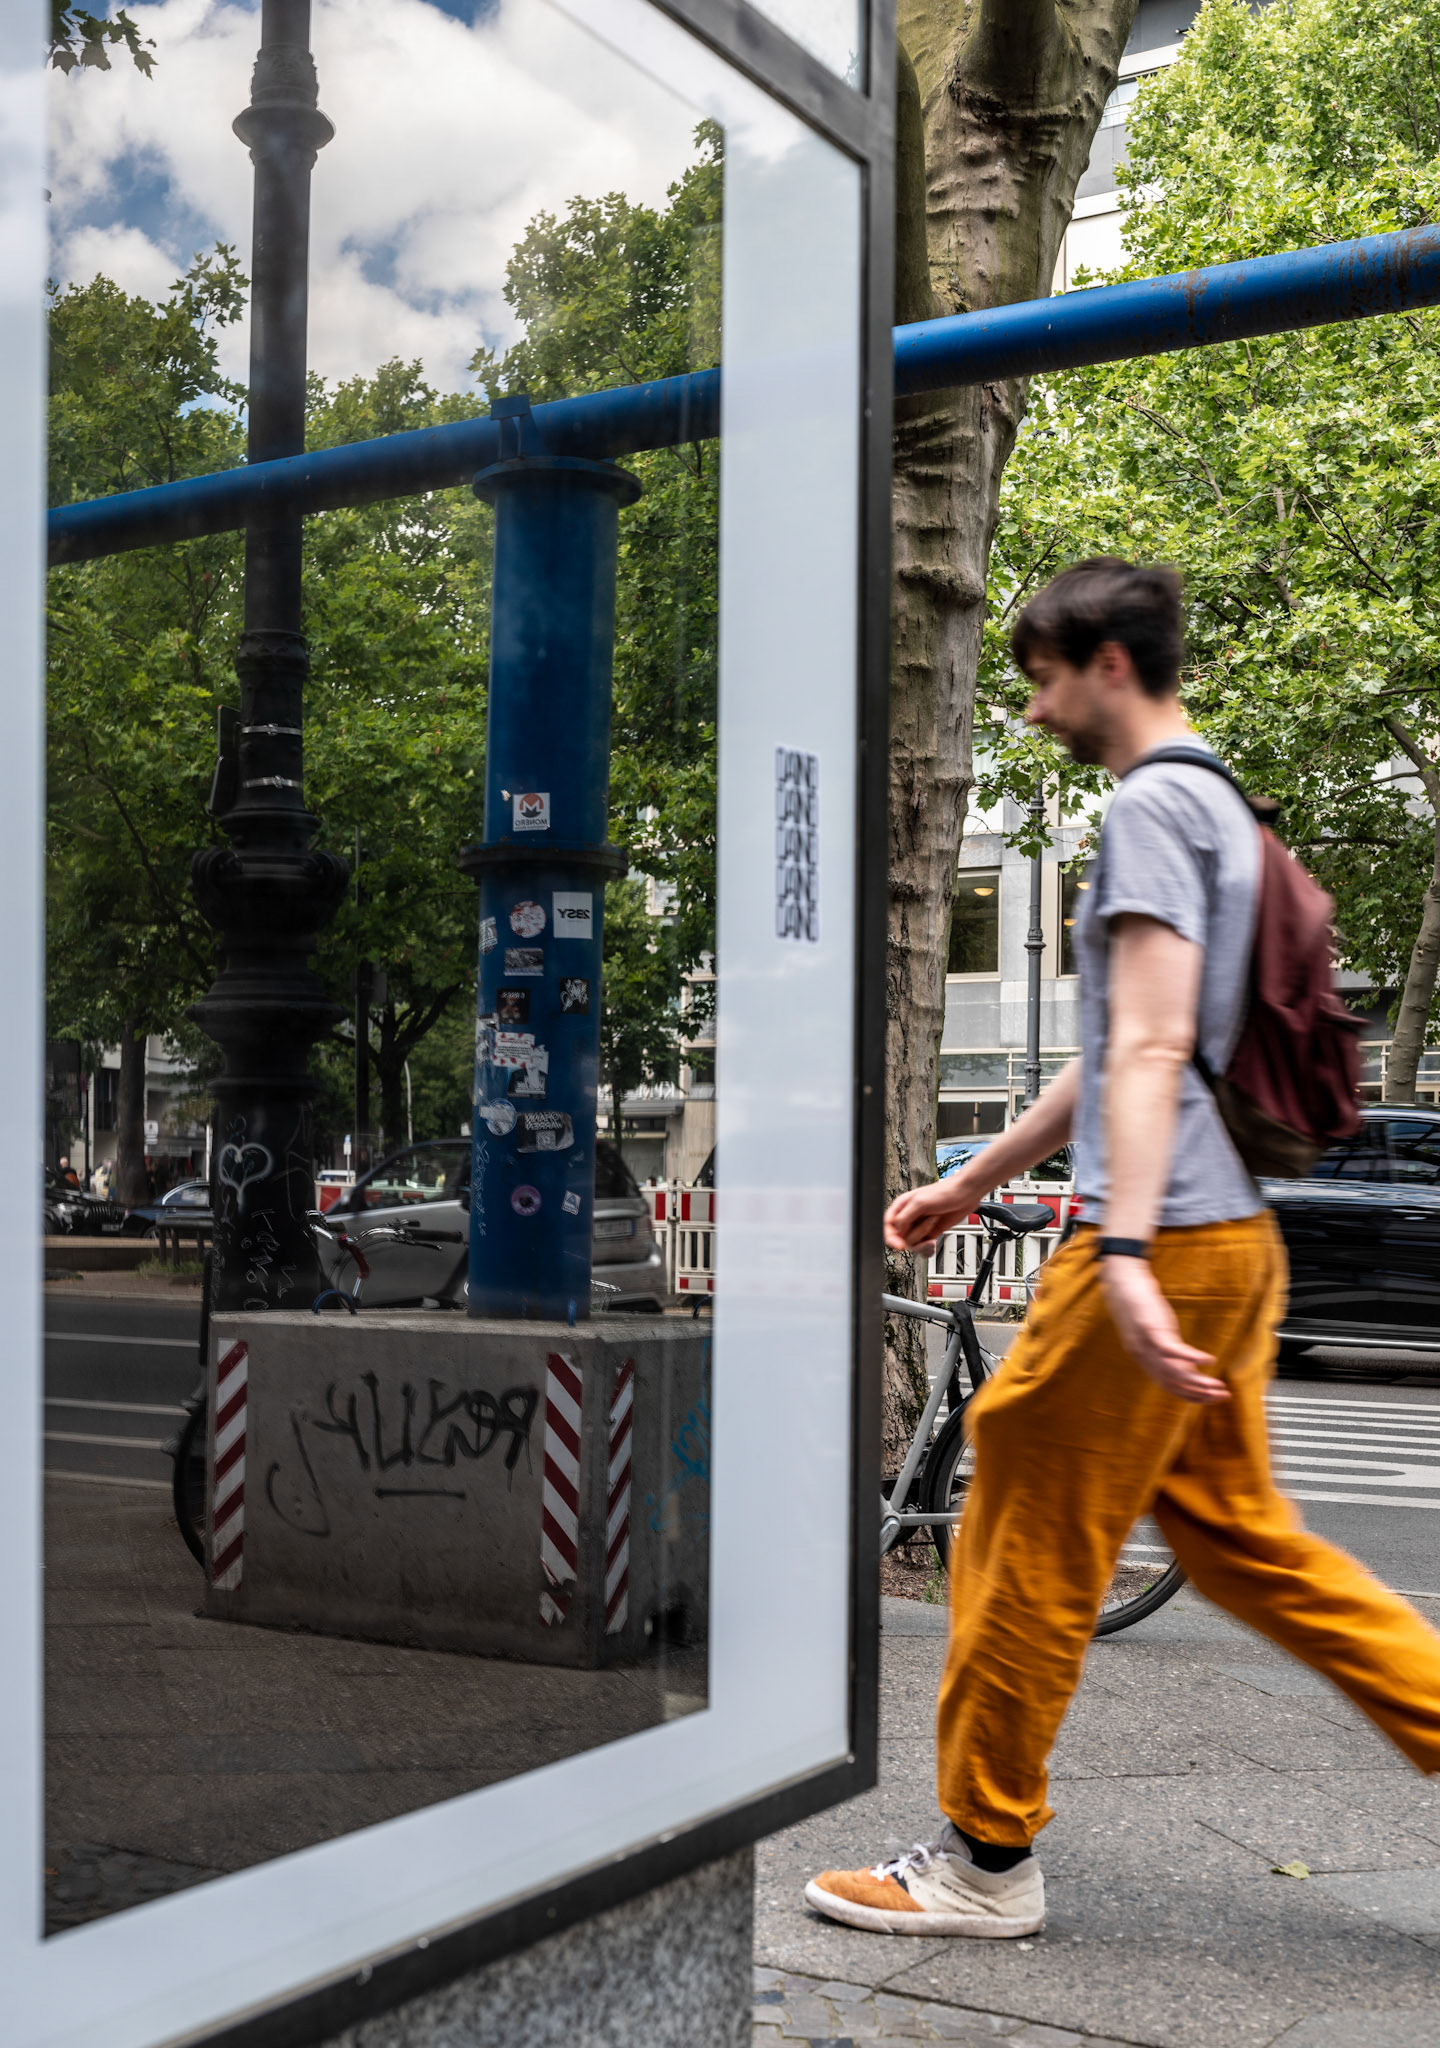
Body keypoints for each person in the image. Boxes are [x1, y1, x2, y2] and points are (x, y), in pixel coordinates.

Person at [806, 558, 1440, 1939]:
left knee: (1022, 1524)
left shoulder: (1154, 807)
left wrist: (1129, 1253)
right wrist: (971, 1180)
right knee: (1249, 1553)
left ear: (1107, 664)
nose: (1031, 711)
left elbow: (1149, 1046)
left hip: (1159, 1250)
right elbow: (1121, 1057)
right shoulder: (1222, 802)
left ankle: (982, 1860)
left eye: (1039, 678)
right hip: (1230, 1244)